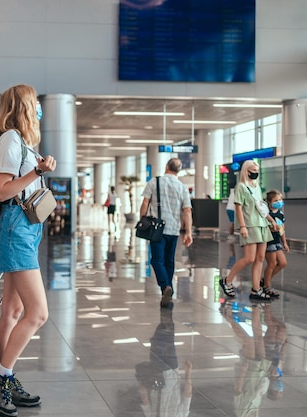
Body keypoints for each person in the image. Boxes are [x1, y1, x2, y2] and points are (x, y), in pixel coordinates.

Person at [0, 84, 56, 417]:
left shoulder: (21, 141)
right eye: (35, 103)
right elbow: (1, 191)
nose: (39, 107)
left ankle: (6, 379)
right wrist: (36, 172)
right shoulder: (11, 139)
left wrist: (36, 169)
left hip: (25, 227)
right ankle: (0, 377)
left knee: (11, 313)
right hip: (15, 228)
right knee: (38, 313)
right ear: (23, 105)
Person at [219, 160, 277, 301]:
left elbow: (261, 208)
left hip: (261, 224)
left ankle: (256, 289)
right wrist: (243, 226)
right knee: (249, 258)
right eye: (252, 170)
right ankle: (227, 280)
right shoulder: (241, 187)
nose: (255, 173)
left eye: (256, 170)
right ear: (246, 171)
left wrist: (271, 220)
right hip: (250, 225)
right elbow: (238, 207)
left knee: (260, 258)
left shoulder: (256, 187)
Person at [139, 158, 193, 308]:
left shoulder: (154, 182)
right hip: (174, 229)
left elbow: (145, 203)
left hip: (157, 228)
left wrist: (142, 220)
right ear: (178, 170)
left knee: (157, 260)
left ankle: (165, 286)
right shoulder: (182, 187)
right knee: (169, 261)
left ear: (166, 166)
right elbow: (187, 211)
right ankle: (167, 291)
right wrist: (188, 232)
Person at [136, 308, 193, 417]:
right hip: (157, 374)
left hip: (172, 369)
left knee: (169, 338)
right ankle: (165, 311)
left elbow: (188, 394)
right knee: (158, 340)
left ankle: (167, 310)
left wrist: (188, 372)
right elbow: (144, 398)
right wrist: (141, 381)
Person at [262, 190, 288, 298]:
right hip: (269, 242)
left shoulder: (280, 214)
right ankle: (267, 286)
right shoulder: (266, 214)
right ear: (269, 202)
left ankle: (265, 280)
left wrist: (285, 243)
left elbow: (282, 230)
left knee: (283, 263)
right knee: (271, 263)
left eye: (280, 200)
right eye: (276, 200)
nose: (279, 202)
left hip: (277, 242)